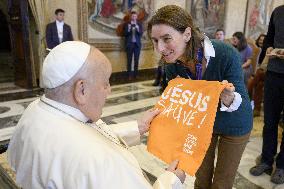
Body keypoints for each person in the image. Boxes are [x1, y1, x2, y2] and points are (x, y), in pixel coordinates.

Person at [7, 41, 186, 189]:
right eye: (105, 83)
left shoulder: (35, 110)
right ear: (82, 89)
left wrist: (137, 127)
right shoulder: (99, 161)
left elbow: (86, 134)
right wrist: (172, 180)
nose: (109, 91)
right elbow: (89, 147)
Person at [147, 5, 252, 189]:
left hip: (235, 123)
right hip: (203, 126)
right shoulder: (172, 66)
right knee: (201, 180)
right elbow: (183, 104)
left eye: (166, 39)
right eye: (155, 41)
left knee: (222, 183)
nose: (160, 48)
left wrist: (227, 97)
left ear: (187, 34)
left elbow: (240, 100)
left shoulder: (226, 54)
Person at [250, 5, 284, 185]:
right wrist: (271, 48)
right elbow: (269, 39)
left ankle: (282, 166)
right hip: (274, 72)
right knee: (269, 121)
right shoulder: (278, 12)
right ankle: (266, 161)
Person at [247, 34, 266, 117]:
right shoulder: (255, 50)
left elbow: (264, 65)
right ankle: (257, 109)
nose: (261, 41)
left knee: (252, 81)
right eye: (260, 39)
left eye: (263, 40)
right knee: (259, 85)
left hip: (265, 72)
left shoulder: (267, 51)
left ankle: (247, 102)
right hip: (258, 74)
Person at [124, 11, 143, 80]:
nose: (134, 17)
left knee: (136, 60)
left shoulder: (139, 24)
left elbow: (141, 34)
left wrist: (138, 28)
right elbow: (125, 34)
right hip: (129, 45)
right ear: (130, 17)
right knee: (129, 61)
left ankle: (136, 75)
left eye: (135, 16)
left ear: (136, 17)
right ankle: (129, 75)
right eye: (132, 16)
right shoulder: (127, 24)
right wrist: (129, 29)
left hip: (137, 45)